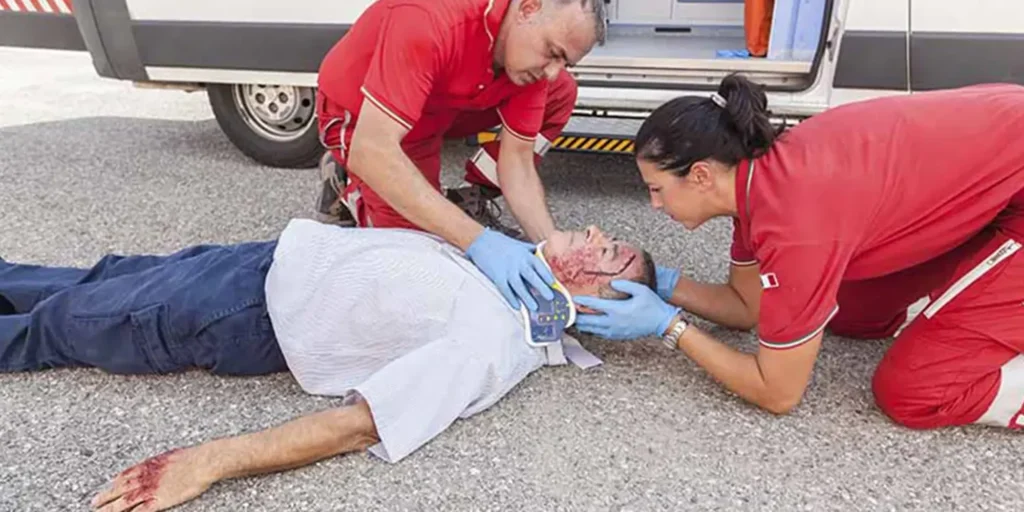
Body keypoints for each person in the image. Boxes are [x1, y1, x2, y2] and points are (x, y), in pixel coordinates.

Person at [0, 219, 654, 511]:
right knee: (103, 277)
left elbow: (366, 422)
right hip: (265, 259)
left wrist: (206, 461)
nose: (598, 236)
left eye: (613, 252)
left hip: (242, 309)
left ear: (600, 302)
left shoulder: (495, 343)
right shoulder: (526, 281)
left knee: (60, 327)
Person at [573, 74, 1024, 431]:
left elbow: (778, 392)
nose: (653, 205)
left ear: (701, 176)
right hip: (1002, 181)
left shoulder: (796, 225)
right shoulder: (755, 182)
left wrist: (670, 327)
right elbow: (750, 307)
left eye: (657, 189)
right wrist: (662, 284)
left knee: (911, 392)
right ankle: (974, 304)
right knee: (848, 311)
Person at [313, 0, 606, 314]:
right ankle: (349, 181)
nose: (551, 71)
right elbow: (372, 150)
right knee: (414, 265)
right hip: (365, 118)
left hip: (437, 103)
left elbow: (517, 162)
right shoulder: (427, 20)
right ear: (528, 8)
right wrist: (478, 240)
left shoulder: (529, 54)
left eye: (565, 61)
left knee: (561, 91)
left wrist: (552, 256)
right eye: (553, 52)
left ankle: (470, 196)